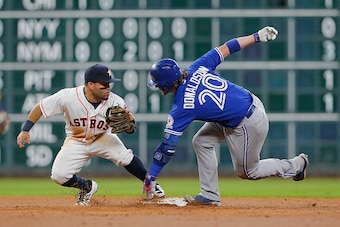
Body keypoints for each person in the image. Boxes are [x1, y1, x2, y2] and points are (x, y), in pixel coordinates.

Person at [142, 26, 309, 206]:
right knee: (201, 141)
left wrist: (151, 175)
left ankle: (296, 165)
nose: (157, 88)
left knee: (248, 172)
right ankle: (210, 195)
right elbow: (227, 47)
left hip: (247, 122)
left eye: (158, 84)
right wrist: (256, 36)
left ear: (166, 84)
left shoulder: (183, 105)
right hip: (248, 103)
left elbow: (167, 147)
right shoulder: (197, 67)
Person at [17, 64, 165, 206]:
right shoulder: (67, 97)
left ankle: (151, 184)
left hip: (103, 137)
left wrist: (130, 127)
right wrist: (25, 130)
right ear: (90, 85)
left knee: (124, 156)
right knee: (58, 176)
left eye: (109, 84)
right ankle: (87, 187)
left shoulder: (116, 101)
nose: (108, 88)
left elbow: (131, 128)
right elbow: (40, 107)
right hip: (76, 141)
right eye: (104, 85)